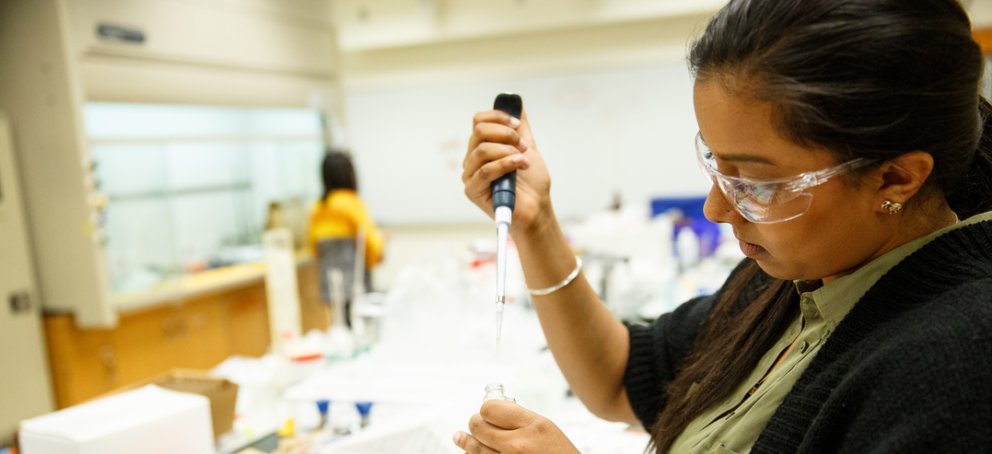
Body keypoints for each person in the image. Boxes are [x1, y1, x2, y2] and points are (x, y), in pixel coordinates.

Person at [455, 0, 992, 452]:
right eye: (716, 163)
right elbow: (621, 378)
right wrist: (535, 222)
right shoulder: (800, 272)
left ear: (896, 177)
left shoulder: (957, 364)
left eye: (756, 182)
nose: (716, 207)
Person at [308, 150, 385, 326]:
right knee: (361, 328)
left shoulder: (318, 208)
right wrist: (381, 245)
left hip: (330, 287)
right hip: (356, 286)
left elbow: (314, 248)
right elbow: (371, 243)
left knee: (339, 325)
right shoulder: (351, 203)